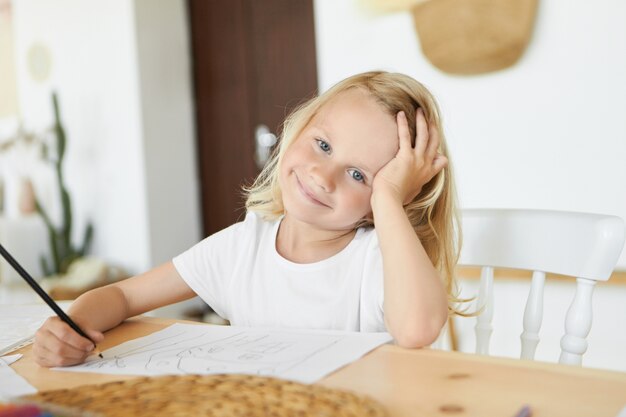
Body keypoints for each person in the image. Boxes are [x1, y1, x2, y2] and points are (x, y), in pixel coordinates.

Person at [33, 71, 463, 367]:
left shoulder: (376, 262)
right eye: (323, 145)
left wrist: (388, 199)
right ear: (299, 127)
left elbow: (417, 328)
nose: (321, 175)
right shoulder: (242, 249)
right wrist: (72, 325)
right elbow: (124, 297)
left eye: (359, 175)